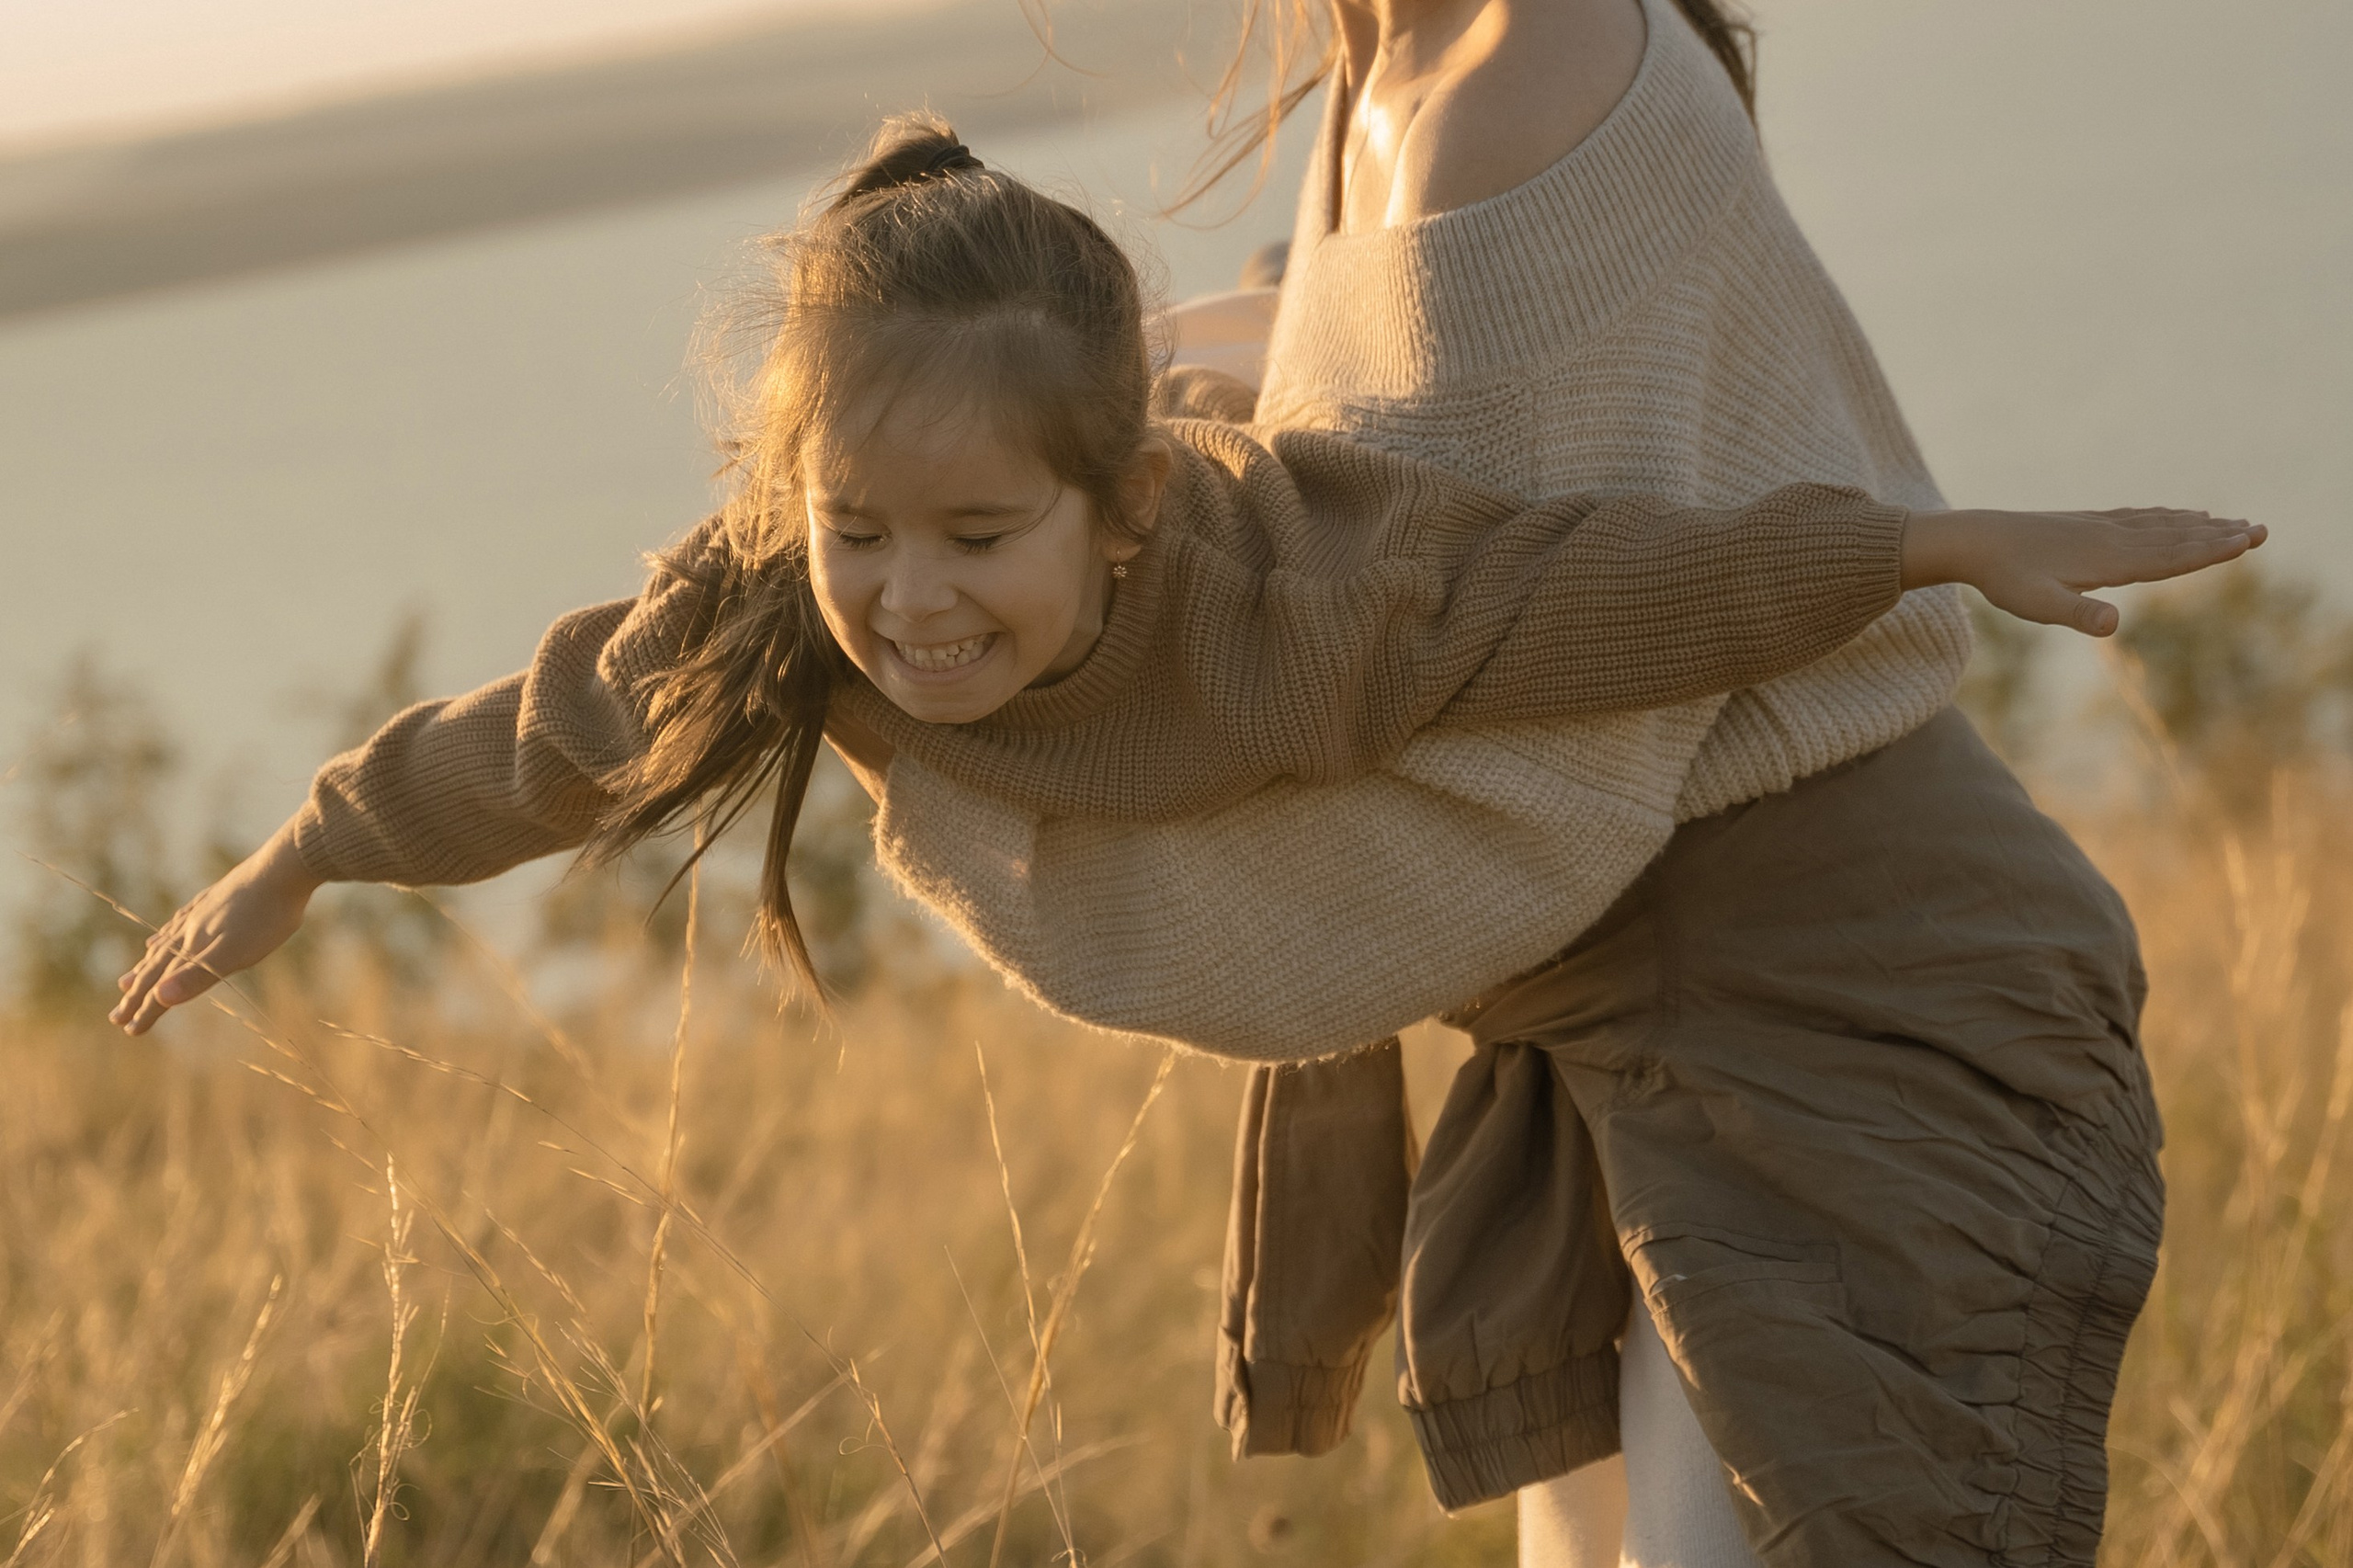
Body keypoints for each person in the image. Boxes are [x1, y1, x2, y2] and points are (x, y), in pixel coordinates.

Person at [108, 119, 2254, 1565]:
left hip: (1751, 938)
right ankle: (1243, 301)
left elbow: (1581, 591)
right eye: (861, 532)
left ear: (1114, 508)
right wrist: (303, 854)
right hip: (1494, 962)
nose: (913, 598)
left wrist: (1926, 543)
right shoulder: (797, 597)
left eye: (976, 536)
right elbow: (556, 729)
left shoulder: (1271, 594)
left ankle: (1254, 318)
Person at [865, 0, 2203, 1562]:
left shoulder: (1517, 88)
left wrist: (901, 718)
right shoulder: (1387, 71)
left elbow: (1422, 694)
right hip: (1623, 1020)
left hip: (1837, 1002)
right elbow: (1362, 381)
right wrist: (1091, 404)